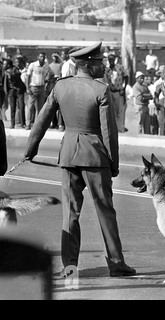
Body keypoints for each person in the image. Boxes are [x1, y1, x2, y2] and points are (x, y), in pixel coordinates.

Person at [24, 42, 136, 278]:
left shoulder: (60, 87)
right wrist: (113, 163)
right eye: (100, 62)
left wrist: (30, 150)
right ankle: (116, 263)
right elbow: (108, 132)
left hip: (68, 155)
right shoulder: (100, 90)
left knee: (70, 213)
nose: (104, 66)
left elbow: (41, 120)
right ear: (88, 64)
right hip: (95, 156)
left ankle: (70, 266)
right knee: (105, 211)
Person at [104, 54, 128, 133]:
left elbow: (126, 76)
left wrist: (123, 88)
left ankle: (120, 127)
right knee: (111, 111)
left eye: (112, 59)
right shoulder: (107, 70)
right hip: (110, 92)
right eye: (109, 59)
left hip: (118, 91)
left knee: (119, 110)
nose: (111, 61)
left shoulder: (119, 68)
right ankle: (112, 128)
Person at [25, 52, 50, 130]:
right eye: (41, 57)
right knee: (30, 107)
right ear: (38, 57)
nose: (42, 58)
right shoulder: (33, 65)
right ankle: (28, 124)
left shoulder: (45, 66)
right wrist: (27, 88)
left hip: (41, 88)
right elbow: (28, 77)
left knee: (40, 108)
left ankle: (37, 125)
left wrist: (46, 83)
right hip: (33, 88)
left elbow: (47, 76)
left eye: (43, 57)